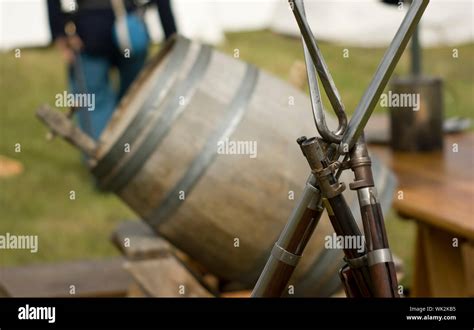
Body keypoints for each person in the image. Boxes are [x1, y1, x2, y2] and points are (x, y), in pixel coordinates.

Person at [47, 0, 177, 139]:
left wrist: (60, 33)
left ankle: (102, 155)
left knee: (96, 105)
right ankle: (129, 151)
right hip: (131, 31)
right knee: (133, 99)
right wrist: (171, 34)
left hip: (92, 32)